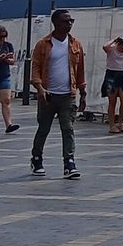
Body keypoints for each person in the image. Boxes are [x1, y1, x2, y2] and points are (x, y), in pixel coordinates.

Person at [30, 9, 86, 178]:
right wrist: (40, 89)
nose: (69, 24)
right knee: (44, 128)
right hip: (48, 94)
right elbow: (36, 68)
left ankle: (69, 162)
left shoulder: (76, 44)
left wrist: (82, 92)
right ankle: (36, 158)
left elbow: (80, 70)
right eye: (65, 21)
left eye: (71, 21)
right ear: (56, 23)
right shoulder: (43, 44)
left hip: (67, 94)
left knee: (68, 128)